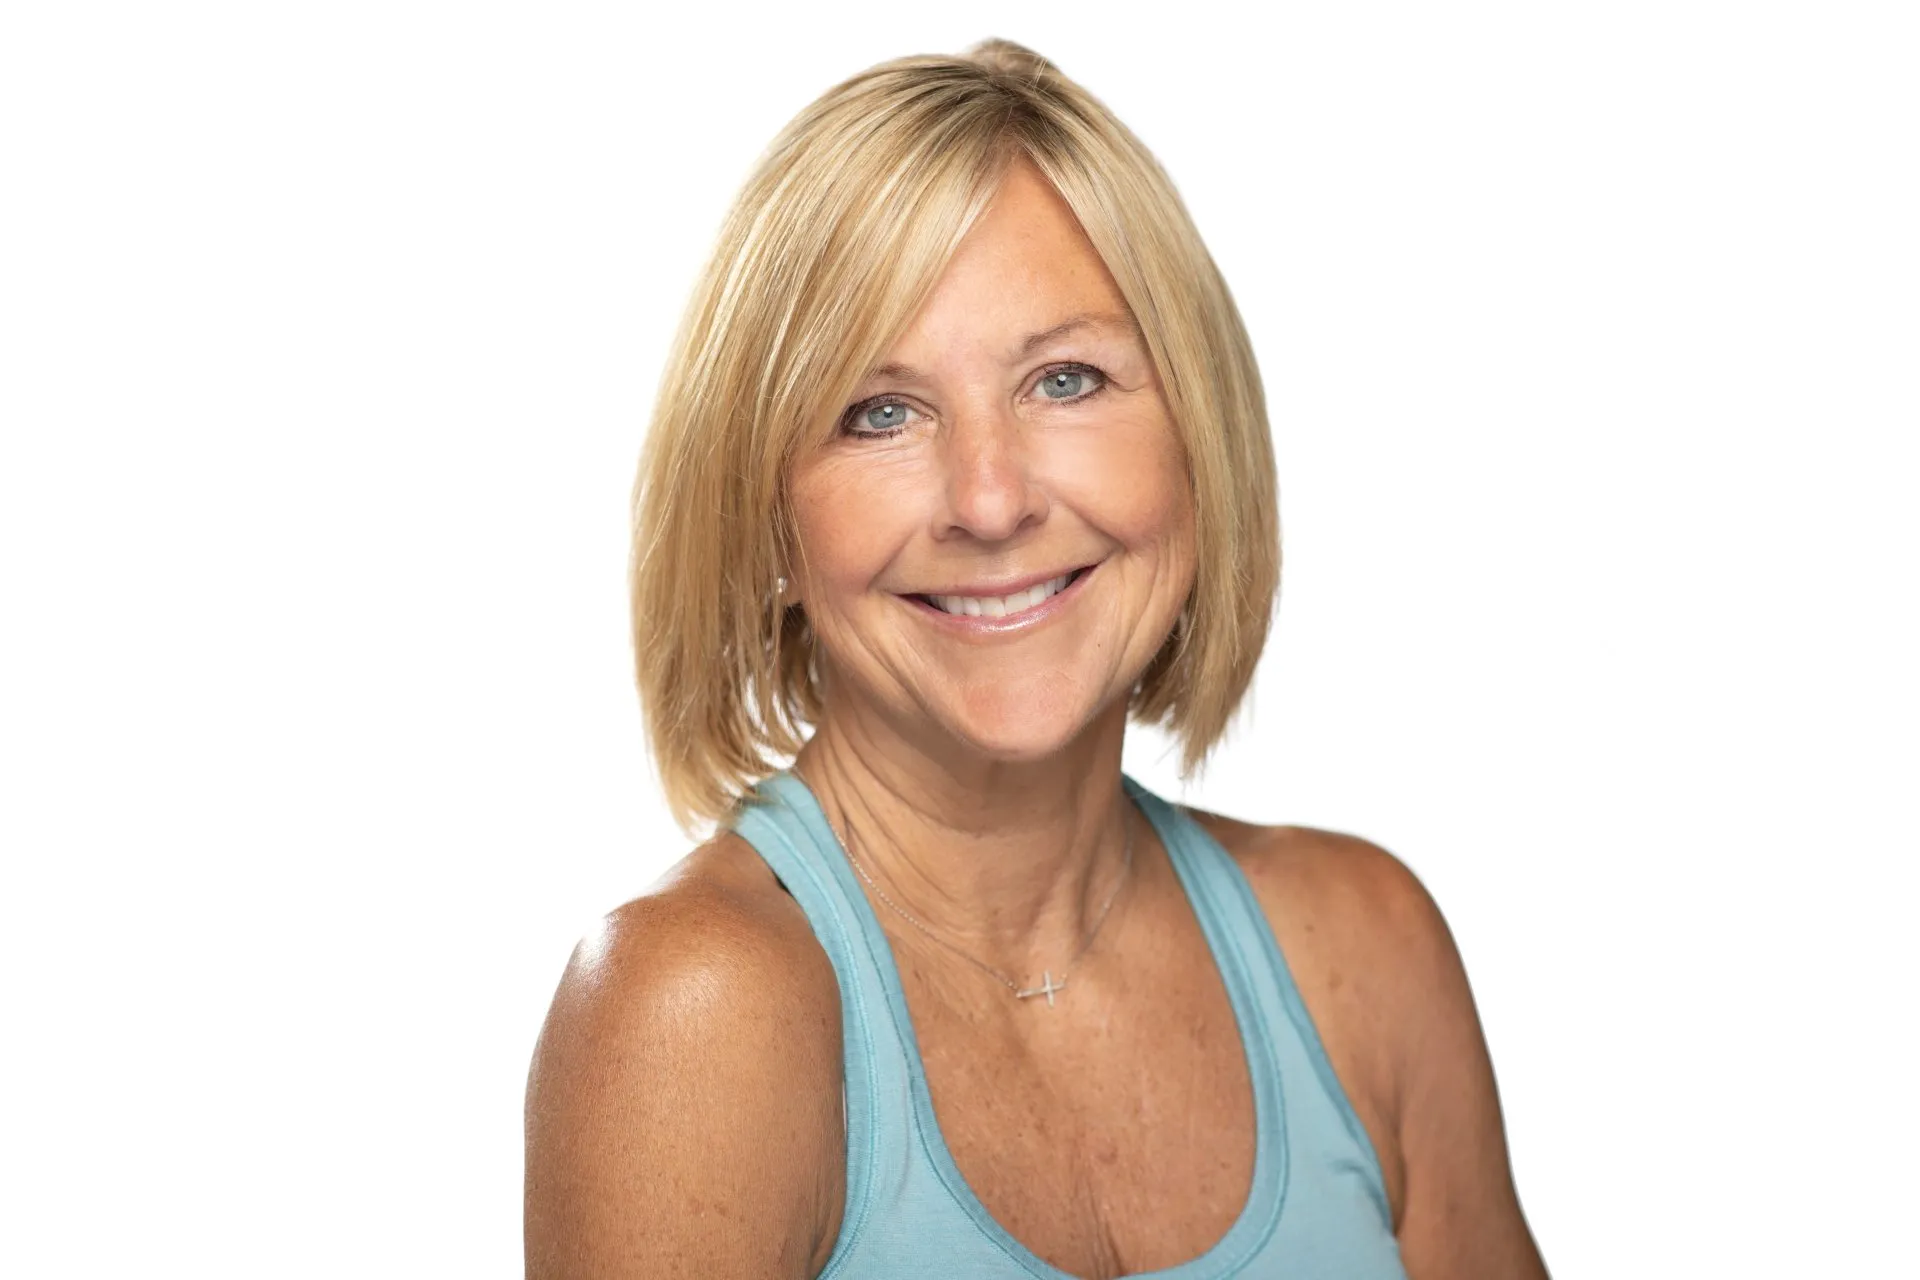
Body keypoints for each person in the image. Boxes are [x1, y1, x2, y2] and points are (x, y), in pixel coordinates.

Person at [525, 38, 1548, 1280]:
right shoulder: (690, 1014)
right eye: (878, 411)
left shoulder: (1368, 951)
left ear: (1195, 438)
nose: (992, 499)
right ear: (766, 519)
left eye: (1066, 379)